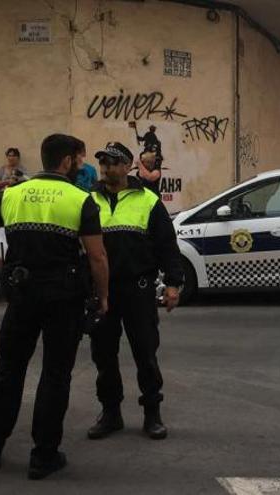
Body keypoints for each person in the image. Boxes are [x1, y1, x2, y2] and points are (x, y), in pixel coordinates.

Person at [0, 134, 109, 479]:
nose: (82, 166)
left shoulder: (11, 194)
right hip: (64, 298)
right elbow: (98, 256)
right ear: (69, 160)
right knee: (55, 376)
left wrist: (4, 270)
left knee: (9, 370)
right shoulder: (80, 200)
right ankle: (43, 456)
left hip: (22, 295)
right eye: (80, 159)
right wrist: (103, 296)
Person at [86, 141, 182, 441]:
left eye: (113, 162)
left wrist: (173, 284)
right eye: (103, 162)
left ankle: (152, 413)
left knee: (145, 354)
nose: (106, 168)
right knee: (103, 357)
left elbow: (167, 244)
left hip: (137, 290)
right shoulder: (88, 200)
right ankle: (110, 413)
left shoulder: (148, 201)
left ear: (128, 165)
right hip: (101, 291)